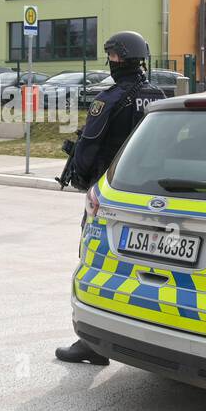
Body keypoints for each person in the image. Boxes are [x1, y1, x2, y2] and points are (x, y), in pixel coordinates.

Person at [55, 30, 168, 366]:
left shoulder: (108, 99)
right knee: (151, 268)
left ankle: (91, 341)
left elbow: (88, 147)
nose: (110, 61)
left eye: (112, 55)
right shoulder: (159, 95)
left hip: (113, 193)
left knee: (95, 260)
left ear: (119, 58)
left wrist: (79, 173)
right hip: (154, 193)